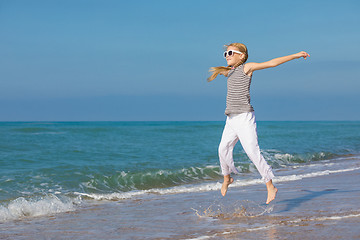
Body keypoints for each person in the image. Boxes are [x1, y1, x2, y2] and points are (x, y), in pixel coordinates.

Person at [208, 43, 310, 204]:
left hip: (244, 117)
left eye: (230, 52)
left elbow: (272, 63)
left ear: (241, 56)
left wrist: (295, 55)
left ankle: (270, 185)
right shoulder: (230, 72)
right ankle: (227, 178)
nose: (227, 55)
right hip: (231, 119)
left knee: (252, 152)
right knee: (222, 149)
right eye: (225, 53)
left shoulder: (246, 68)